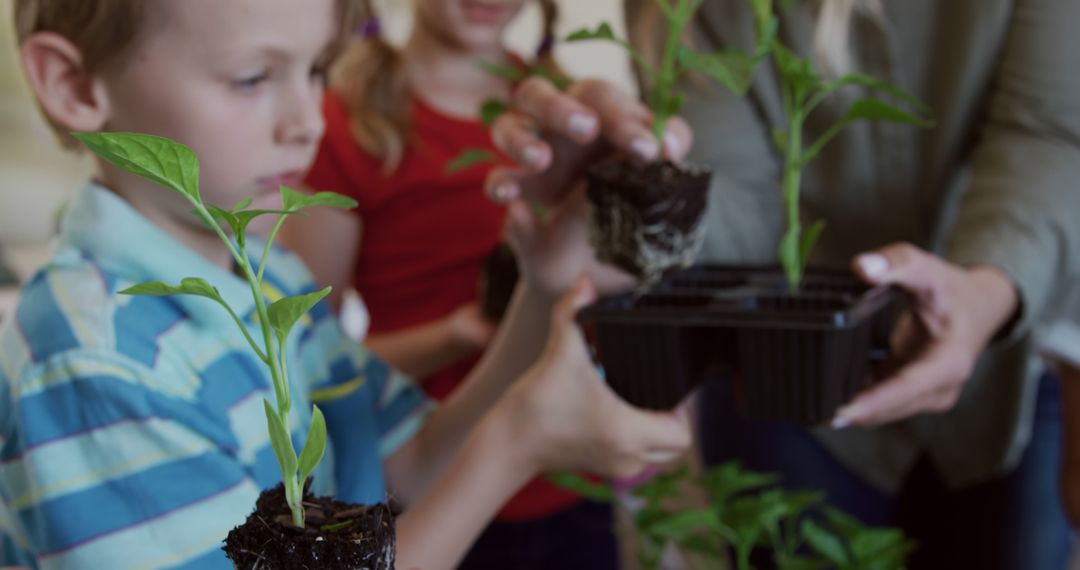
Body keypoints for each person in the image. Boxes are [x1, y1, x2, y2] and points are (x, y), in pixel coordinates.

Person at [0, 1, 693, 568]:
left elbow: (410, 462)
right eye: (251, 78)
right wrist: (517, 442)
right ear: (75, 87)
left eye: (317, 71)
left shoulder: (271, 279)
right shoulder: (96, 365)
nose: (307, 121)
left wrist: (541, 291)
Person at [488, 0, 1080, 567]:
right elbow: (743, 200)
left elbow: (1050, 130)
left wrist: (990, 286)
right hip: (788, 373)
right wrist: (632, 212)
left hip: (1003, 368)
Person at [283, 1, 615, 565]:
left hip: (567, 478)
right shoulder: (346, 124)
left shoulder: (566, 118)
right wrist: (453, 335)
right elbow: (307, 363)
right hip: (431, 487)